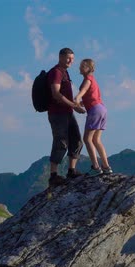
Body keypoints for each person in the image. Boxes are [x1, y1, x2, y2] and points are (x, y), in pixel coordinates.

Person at [47, 47, 86, 186]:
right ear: (61, 57)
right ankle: (53, 175)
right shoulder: (56, 72)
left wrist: (77, 104)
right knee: (61, 142)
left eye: (73, 59)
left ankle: (71, 171)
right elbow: (56, 94)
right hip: (58, 114)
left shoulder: (65, 72)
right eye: (68, 58)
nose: (71, 61)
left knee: (77, 140)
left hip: (68, 112)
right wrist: (74, 106)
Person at [74, 59, 113, 176]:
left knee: (87, 139)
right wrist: (80, 103)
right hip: (102, 109)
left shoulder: (88, 79)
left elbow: (84, 90)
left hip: (95, 110)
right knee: (96, 140)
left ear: (89, 68)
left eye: (83, 66)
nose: (80, 68)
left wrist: (77, 98)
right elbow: (90, 97)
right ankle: (106, 167)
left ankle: (96, 167)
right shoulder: (93, 80)